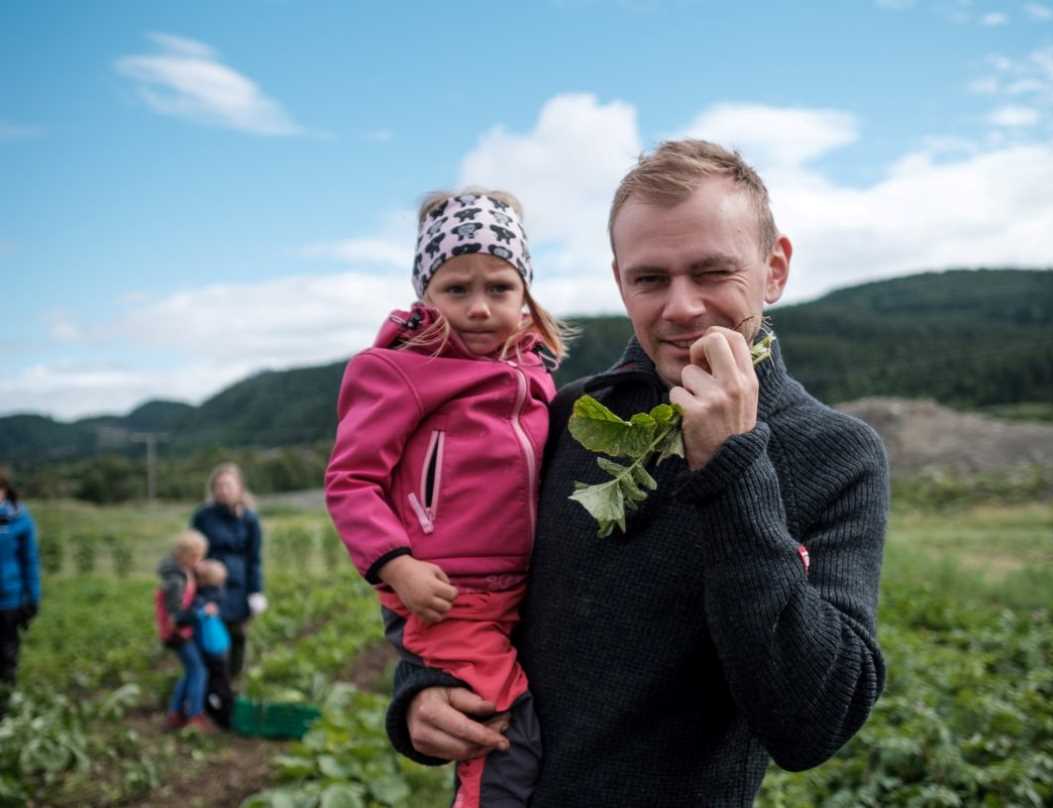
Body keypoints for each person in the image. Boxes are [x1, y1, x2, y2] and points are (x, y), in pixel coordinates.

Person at [387, 141, 890, 807]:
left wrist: (732, 469)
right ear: (621, 282)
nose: (681, 307)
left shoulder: (835, 454)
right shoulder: (565, 418)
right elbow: (464, 567)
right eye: (651, 279)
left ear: (774, 269)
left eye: (713, 272)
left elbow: (813, 723)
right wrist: (422, 684)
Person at [325, 189, 570, 808]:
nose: (480, 308)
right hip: (448, 596)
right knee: (504, 737)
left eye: (500, 288)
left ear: (526, 296)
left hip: (523, 591)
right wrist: (395, 564)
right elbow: (350, 481)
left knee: (535, 729)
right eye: (456, 289)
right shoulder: (397, 372)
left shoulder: (536, 378)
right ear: (425, 296)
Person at [191, 462, 266, 678]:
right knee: (213, 636)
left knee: (238, 635)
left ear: (239, 488)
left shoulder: (249, 519)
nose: (223, 490)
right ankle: (213, 684)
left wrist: (256, 591)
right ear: (213, 489)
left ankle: (233, 681)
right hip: (211, 585)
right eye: (219, 486)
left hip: (239, 585)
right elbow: (193, 547)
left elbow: (254, 558)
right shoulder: (203, 516)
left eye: (228, 485)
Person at [156, 528, 217, 733]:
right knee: (199, 670)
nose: (199, 561)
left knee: (191, 670)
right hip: (176, 634)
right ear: (185, 555)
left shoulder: (185, 572)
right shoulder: (176, 580)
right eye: (196, 556)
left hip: (183, 632)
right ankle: (194, 715)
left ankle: (175, 713)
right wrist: (200, 613)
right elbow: (176, 615)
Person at [0, 467, 40, 717]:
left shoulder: (20, 520)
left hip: (9, 600)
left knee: (6, 655)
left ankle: (5, 710)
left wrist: (32, 599)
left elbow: (30, 561)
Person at [194, 558, 234, 729]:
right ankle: (224, 713)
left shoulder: (203, 598)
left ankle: (222, 715)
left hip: (211, 647)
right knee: (221, 681)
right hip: (220, 645)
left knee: (215, 683)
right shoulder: (218, 594)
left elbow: (194, 615)